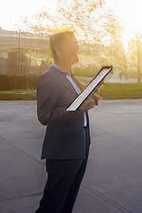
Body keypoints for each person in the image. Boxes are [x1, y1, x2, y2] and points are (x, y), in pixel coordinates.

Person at [34, 31, 100, 213]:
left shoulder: (71, 77)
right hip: (63, 153)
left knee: (67, 203)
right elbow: (44, 115)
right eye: (73, 43)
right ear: (59, 49)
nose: (77, 46)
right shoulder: (48, 78)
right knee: (52, 206)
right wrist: (79, 108)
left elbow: (76, 106)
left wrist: (90, 100)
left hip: (80, 147)